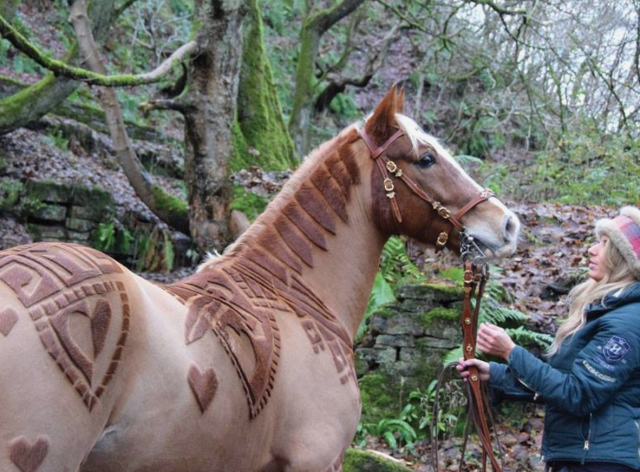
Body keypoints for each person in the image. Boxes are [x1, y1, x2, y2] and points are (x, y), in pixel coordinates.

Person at [457, 206, 640, 472]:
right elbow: (558, 383)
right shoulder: (606, 311)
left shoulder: (627, 322)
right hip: (580, 458)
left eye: (604, 244)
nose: (591, 250)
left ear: (623, 259)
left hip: (601, 463)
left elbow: (578, 395)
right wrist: (495, 373)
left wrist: (511, 352)